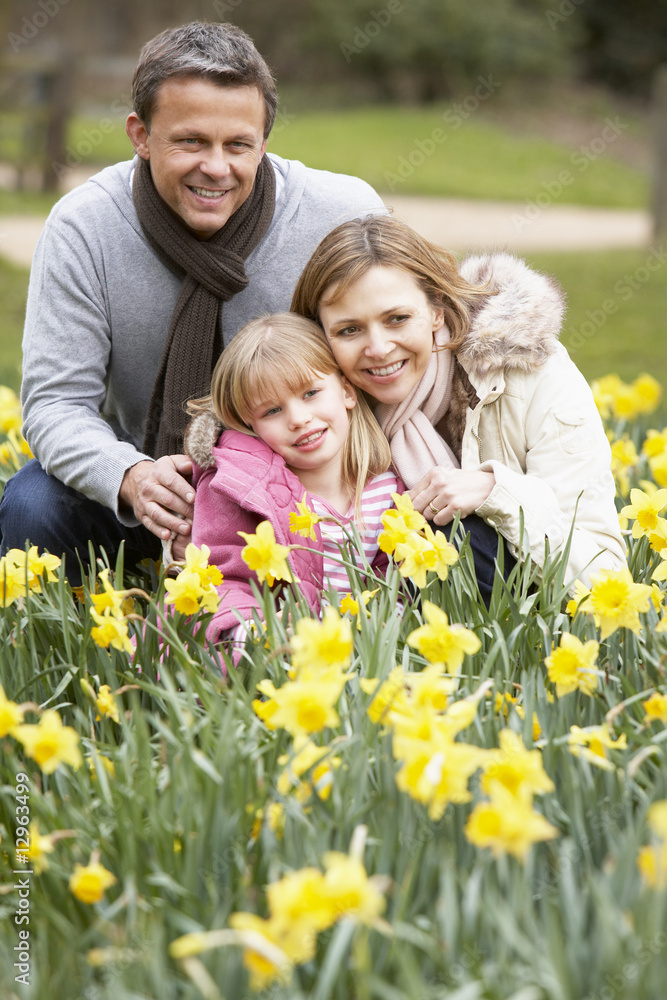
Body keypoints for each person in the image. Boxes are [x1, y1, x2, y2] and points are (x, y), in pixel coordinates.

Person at [0, 21, 385, 583]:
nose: (217, 167)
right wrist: (129, 476)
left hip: (309, 495)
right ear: (140, 134)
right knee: (32, 503)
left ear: (264, 142)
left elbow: (402, 355)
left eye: (238, 145)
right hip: (153, 494)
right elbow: (57, 401)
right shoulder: (85, 227)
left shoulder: (339, 214)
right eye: (190, 141)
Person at [291, 215, 627, 598]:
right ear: (321, 333)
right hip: (357, 624)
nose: (378, 348)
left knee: (451, 534)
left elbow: (605, 576)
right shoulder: (309, 404)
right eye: (349, 330)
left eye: (397, 319)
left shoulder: (529, 372)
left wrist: (497, 493)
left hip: (521, 622)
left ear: (437, 310)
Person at [183, 313, 401, 646]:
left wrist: (385, 631)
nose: (298, 419)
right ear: (249, 425)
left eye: (311, 392)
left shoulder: (388, 490)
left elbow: (395, 584)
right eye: (272, 411)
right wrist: (256, 638)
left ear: (346, 391)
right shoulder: (241, 490)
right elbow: (223, 583)